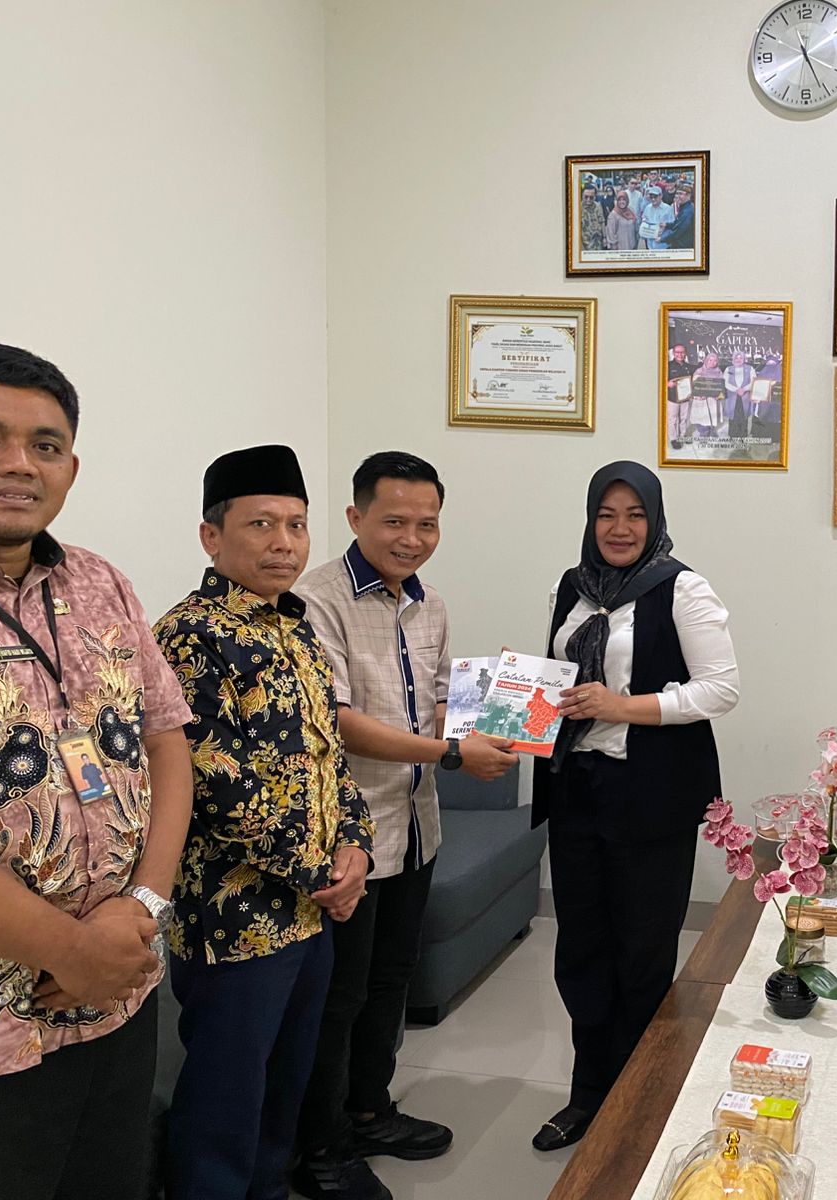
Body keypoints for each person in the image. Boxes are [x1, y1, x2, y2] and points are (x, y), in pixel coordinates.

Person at [0, 341, 191, 1200]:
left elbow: (166, 739)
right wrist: (68, 948)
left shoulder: (99, 582)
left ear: (71, 467)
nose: (19, 463)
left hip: (119, 991)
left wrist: (143, 905)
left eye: (45, 445)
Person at [290, 452, 518, 1200]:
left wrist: (501, 714)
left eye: (427, 524)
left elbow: (441, 700)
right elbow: (336, 720)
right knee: (340, 995)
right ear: (355, 518)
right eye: (395, 521)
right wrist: (451, 753)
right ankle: (321, 1147)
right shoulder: (315, 599)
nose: (412, 539)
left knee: (391, 979)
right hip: (349, 837)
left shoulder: (430, 604)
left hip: (418, 825)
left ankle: (369, 1108)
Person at [154, 444, 375, 1200]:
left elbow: (329, 754)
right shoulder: (190, 636)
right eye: (261, 524)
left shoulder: (297, 628)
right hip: (234, 916)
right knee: (226, 1094)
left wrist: (355, 846)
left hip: (310, 911)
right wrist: (322, 875)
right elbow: (215, 786)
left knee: (286, 1083)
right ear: (211, 536)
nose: (284, 542)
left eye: (296, 525)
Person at [529, 462, 739, 1152]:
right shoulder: (571, 586)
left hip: (651, 795)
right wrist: (519, 691)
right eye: (606, 514)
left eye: (634, 514)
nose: (619, 529)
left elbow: (720, 689)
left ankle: (639, 1103)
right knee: (581, 948)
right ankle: (588, 1093)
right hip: (578, 789)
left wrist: (623, 706)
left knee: (642, 953)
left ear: (655, 519)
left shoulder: (682, 588)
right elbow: (559, 680)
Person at [689, 351, 724, 441]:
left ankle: (712, 430)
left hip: (713, 399)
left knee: (713, 416)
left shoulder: (719, 372)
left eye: (715, 361)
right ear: (706, 360)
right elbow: (694, 386)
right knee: (701, 417)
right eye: (710, 360)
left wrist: (719, 395)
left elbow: (722, 386)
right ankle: (703, 433)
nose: (712, 362)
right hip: (701, 400)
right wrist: (699, 395)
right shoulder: (699, 371)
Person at [665, 344, 695, 449]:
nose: (680, 354)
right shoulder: (667, 366)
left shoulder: (688, 367)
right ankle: (673, 439)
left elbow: (693, 381)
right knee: (672, 420)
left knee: (684, 418)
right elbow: (658, 379)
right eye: (677, 352)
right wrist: (667, 383)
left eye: (682, 352)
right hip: (672, 398)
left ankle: (683, 435)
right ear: (673, 353)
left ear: (685, 353)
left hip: (685, 398)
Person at [723, 350, 756, 441]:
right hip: (732, 397)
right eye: (736, 358)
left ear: (744, 359)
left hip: (745, 397)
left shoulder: (750, 369)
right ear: (733, 359)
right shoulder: (728, 369)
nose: (738, 360)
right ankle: (733, 435)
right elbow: (725, 382)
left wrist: (744, 389)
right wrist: (736, 390)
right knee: (733, 416)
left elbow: (754, 381)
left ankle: (742, 435)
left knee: (743, 416)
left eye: (741, 358)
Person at [638, 185, 673, 249]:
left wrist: (663, 238)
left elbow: (672, 227)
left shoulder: (668, 209)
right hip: (650, 245)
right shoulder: (647, 208)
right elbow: (644, 221)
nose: (653, 199)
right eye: (651, 197)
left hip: (663, 245)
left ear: (661, 196)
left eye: (655, 197)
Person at [663, 184, 695, 251]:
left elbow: (678, 231)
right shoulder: (684, 207)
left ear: (688, 195)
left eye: (680, 194)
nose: (677, 196)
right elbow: (677, 223)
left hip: (684, 246)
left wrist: (662, 239)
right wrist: (666, 225)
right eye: (677, 193)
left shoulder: (687, 211)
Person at [579, 185, 605, 252]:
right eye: (586, 197)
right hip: (585, 245)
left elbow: (602, 222)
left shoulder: (598, 206)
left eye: (591, 197)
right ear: (582, 196)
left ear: (595, 197)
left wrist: (604, 238)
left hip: (598, 243)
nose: (588, 199)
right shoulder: (578, 208)